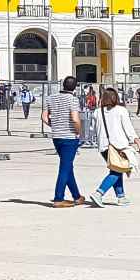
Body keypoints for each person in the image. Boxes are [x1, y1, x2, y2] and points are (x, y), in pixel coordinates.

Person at [89, 87, 140, 206]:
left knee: (117, 168)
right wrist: (137, 141)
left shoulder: (98, 111)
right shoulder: (121, 110)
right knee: (117, 170)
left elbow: (93, 129)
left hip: (103, 146)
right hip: (119, 145)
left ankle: (121, 196)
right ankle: (99, 193)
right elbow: (128, 128)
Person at [43, 76, 88, 208]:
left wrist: (54, 125)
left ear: (63, 85)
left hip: (56, 136)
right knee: (64, 167)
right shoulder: (73, 100)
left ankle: (77, 196)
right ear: (75, 87)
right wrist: (79, 132)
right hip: (69, 137)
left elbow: (44, 117)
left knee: (68, 166)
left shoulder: (50, 98)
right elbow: (75, 119)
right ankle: (58, 198)